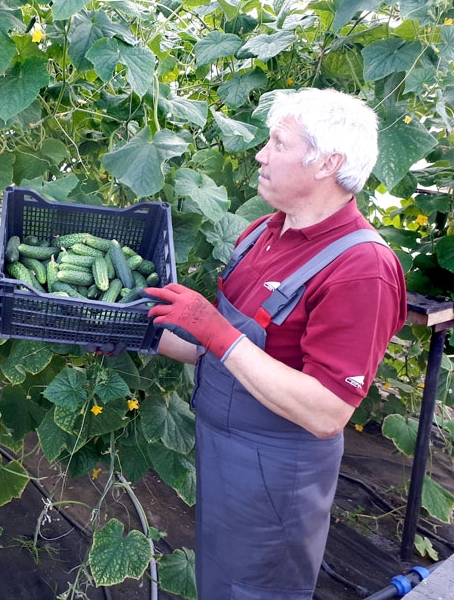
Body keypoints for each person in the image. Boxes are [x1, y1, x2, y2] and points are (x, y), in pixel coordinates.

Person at [143, 88, 408, 599]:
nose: (261, 154)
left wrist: (216, 330)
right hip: (221, 448)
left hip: (276, 472)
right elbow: (214, 355)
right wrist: (137, 335)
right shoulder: (262, 233)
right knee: (221, 583)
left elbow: (328, 411)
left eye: (278, 143)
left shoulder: (362, 269)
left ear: (328, 162)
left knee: (256, 590)